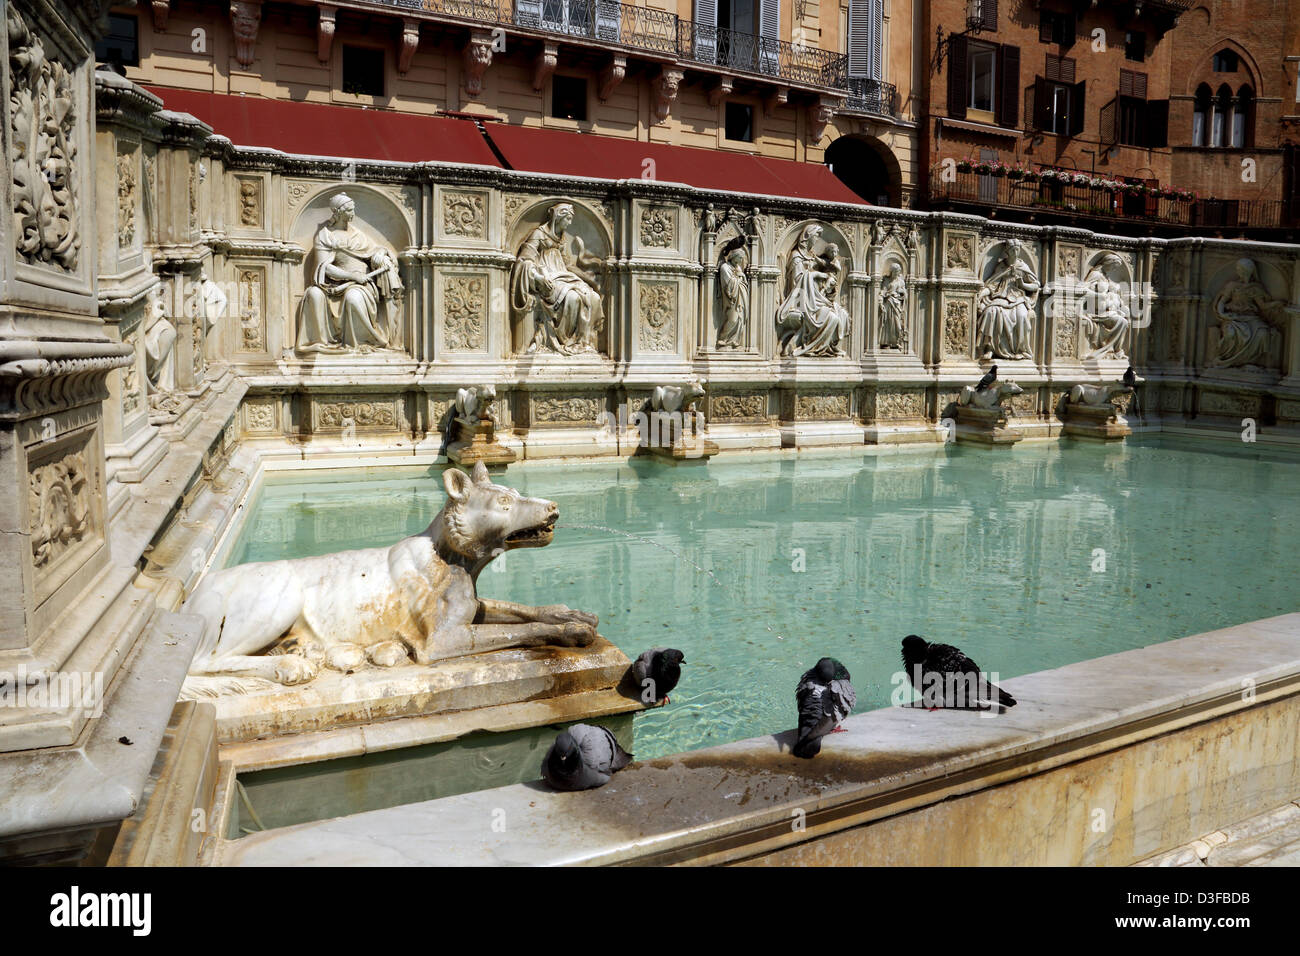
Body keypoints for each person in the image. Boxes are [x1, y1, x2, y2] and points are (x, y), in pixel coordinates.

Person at [297, 193, 404, 353]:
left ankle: (359, 345)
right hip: (334, 284)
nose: (353, 214)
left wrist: (380, 253)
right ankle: (321, 343)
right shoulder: (325, 236)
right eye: (349, 210)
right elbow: (324, 267)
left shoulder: (357, 235)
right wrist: (352, 276)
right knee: (313, 293)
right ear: (338, 212)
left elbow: (375, 248)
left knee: (353, 298)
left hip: (362, 285)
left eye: (353, 210)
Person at [510, 202, 605, 354]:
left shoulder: (562, 239)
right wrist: (539, 278)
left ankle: (583, 342)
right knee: (573, 298)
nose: (570, 223)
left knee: (592, 296)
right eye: (568, 218)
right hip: (547, 279)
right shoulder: (539, 234)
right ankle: (566, 340)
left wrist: (589, 280)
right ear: (558, 218)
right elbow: (524, 260)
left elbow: (568, 266)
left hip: (563, 276)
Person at [776, 224, 848, 357]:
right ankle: (814, 347)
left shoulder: (812, 256)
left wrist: (827, 285)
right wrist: (817, 275)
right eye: (816, 236)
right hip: (801, 298)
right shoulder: (796, 256)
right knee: (832, 317)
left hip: (815, 297)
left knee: (841, 312)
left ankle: (829, 346)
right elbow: (797, 281)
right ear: (807, 237)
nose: (817, 240)